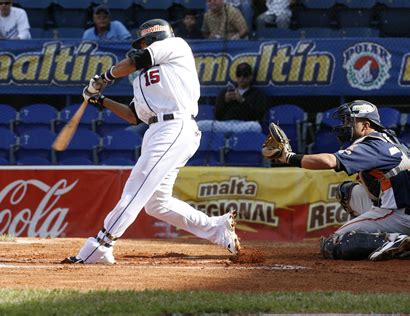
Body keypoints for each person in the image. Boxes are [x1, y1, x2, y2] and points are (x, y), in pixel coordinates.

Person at [61, 19, 241, 264]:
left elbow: (136, 60)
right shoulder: (143, 79)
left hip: (174, 125)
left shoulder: (175, 45)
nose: (142, 46)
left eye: (145, 41)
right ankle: (216, 228)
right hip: (156, 130)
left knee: (137, 185)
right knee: (156, 203)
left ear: (156, 37)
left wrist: (104, 77)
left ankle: (101, 244)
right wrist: (99, 100)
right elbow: (133, 115)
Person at [263, 100, 410, 261]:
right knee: (346, 192)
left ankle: (396, 240)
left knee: (334, 243)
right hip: (401, 205)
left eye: (350, 121)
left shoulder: (372, 144)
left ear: (366, 125)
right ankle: (379, 234)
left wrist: (289, 157)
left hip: (400, 214)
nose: (345, 125)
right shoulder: (389, 139)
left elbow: (329, 161)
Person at [210, 62, 267, 133]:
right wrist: (225, 101)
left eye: (245, 75)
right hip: (225, 124)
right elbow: (217, 115)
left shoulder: (257, 94)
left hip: (244, 125)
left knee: (256, 126)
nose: (241, 78)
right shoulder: (226, 92)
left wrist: (242, 101)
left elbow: (258, 116)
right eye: (239, 75)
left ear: (251, 77)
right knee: (201, 125)